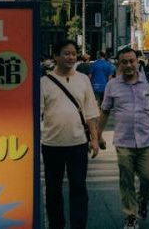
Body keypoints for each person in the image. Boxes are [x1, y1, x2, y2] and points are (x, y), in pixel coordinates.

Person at [98, 47, 149, 229]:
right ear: (119, 64)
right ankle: (131, 215)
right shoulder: (112, 86)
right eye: (124, 62)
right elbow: (105, 112)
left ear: (137, 61)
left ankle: (142, 201)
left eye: (132, 61)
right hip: (123, 142)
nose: (129, 65)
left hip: (146, 141)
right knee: (126, 180)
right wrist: (97, 135)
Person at [41, 39, 100, 229]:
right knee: (53, 190)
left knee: (78, 188)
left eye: (73, 53)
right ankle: (56, 225)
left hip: (78, 144)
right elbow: (37, 114)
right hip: (51, 145)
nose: (70, 57)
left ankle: (78, 225)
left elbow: (91, 112)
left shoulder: (83, 80)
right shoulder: (44, 82)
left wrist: (94, 138)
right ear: (56, 56)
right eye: (66, 53)